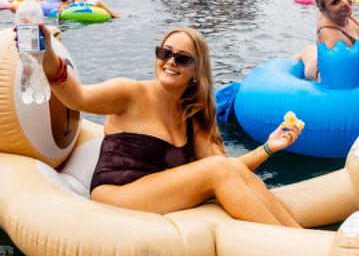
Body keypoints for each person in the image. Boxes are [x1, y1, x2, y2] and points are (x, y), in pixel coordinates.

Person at [27, 26, 301, 224]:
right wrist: (48, 54)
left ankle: (298, 237)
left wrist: (268, 147)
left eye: (182, 58)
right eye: (164, 53)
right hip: (114, 195)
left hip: (154, 194)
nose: (170, 62)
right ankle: (290, 246)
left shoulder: (193, 117)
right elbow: (77, 97)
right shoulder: (130, 93)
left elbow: (231, 170)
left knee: (231, 170)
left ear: (196, 71)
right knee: (219, 168)